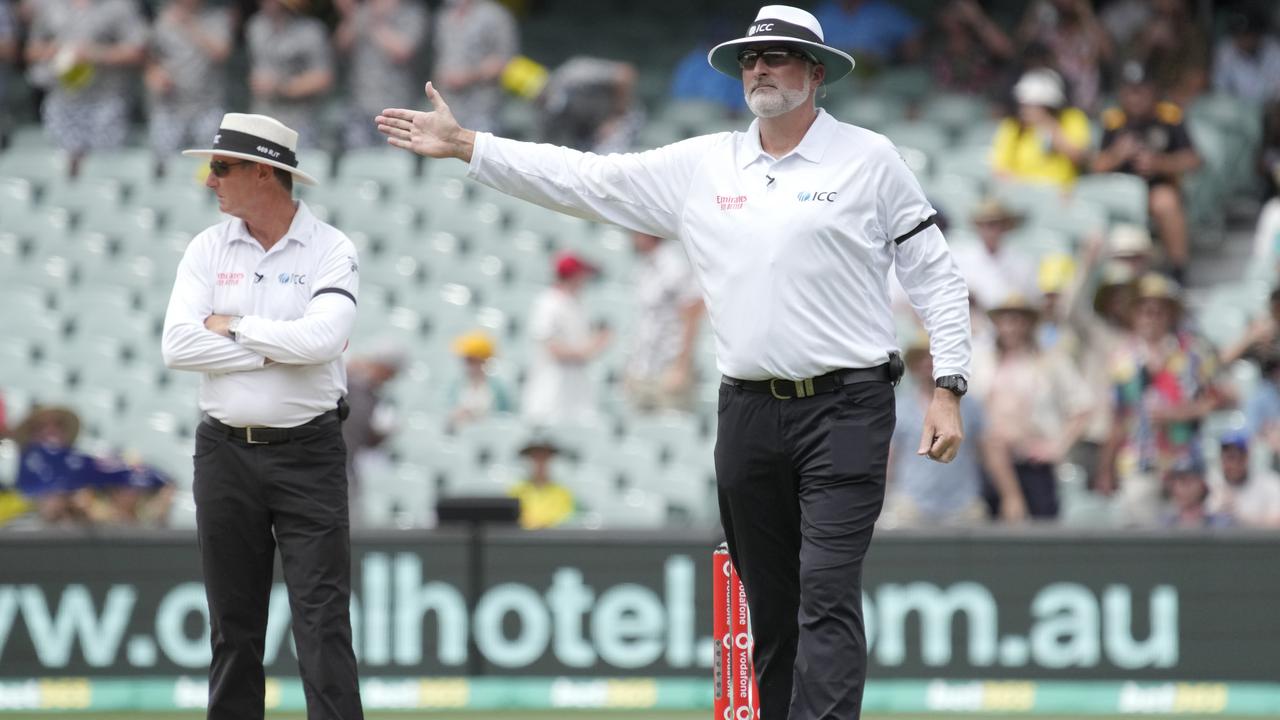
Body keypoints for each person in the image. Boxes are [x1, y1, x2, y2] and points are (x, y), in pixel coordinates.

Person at [376, 6, 971, 717]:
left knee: (827, 589)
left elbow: (935, 274)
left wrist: (949, 387)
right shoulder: (704, 164)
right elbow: (583, 179)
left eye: (778, 57)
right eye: (752, 59)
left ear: (816, 72)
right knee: (772, 604)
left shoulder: (869, 159)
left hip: (847, 406)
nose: (761, 69)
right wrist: (471, 145)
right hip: (747, 409)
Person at [161, 113, 363, 719]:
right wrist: (278, 349)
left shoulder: (332, 247)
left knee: (323, 623)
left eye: (221, 167)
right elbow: (178, 347)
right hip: (223, 452)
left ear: (262, 172)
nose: (209, 180)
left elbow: (323, 342)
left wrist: (237, 328)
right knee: (233, 625)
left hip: (309, 452)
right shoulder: (207, 246)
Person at [1098, 273, 1227, 525]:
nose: (1152, 318)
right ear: (1134, 316)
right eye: (1145, 311)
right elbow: (1117, 417)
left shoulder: (1192, 353)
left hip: (1186, 458)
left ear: (1169, 315)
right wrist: (1106, 467)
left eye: (1158, 311)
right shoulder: (1122, 359)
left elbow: (1218, 398)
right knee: (1141, 522)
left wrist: (1179, 413)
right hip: (1140, 459)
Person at [973, 294, 1091, 520]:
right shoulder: (982, 361)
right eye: (1006, 320)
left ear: (1029, 324)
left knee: (1040, 529)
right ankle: (1011, 495)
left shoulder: (1050, 361)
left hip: (1033, 462)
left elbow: (1082, 407)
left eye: (1018, 320)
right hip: (991, 463)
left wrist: (1057, 446)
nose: (1012, 328)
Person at [1092, 61, 1201, 281]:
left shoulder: (1169, 116)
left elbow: (1194, 160)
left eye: (1141, 91)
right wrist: (1117, 155)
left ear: (1152, 91)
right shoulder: (1113, 121)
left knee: (1166, 201)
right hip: (1119, 192)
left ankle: (1179, 269)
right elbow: (1095, 167)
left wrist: (1160, 163)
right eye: (1130, 92)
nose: (1136, 98)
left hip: (1155, 188)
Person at [23, 0, 146, 177]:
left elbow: (138, 51)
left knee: (104, 170)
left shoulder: (119, 6)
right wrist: (59, 51)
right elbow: (31, 50)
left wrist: (95, 53)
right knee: (63, 171)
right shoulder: (50, 6)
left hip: (106, 102)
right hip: (62, 101)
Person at [885, 333, 996, 527]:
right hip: (911, 505)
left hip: (963, 505)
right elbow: (889, 458)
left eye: (934, 357)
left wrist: (1012, 496)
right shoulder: (900, 406)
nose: (929, 363)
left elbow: (990, 453)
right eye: (923, 358)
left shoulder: (971, 406)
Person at [520, 252, 610, 426]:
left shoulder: (576, 303)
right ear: (574, 275)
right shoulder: (548, 302)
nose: (585, 280)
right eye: (582, 274)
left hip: (574, 393)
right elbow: (552, 348)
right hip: (551, 393)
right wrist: (592, 346)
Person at [144, 0, 233, 171]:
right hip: (170, 107)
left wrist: (190, 24)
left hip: (207, 107)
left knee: (211, 167)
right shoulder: (162, 17)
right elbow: (150, 57)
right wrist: (154, 75)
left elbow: (221, 53)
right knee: (163, 167)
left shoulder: (217, 17)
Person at [624, 232, 705, 414]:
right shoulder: (643, 265)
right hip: (643, 367)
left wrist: (681, 367)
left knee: (670, 428)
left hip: (668, 367)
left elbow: (693, 313)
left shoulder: (675, 265)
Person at [334, 0, 428, 149]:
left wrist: (374, 23)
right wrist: (350, 15)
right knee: (356, 158)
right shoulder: (363, 11)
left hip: (396, 107)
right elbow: (341, 45)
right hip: (360, 104)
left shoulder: (411, 12)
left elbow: (402, 51)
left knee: (393, 158)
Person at [245, 0, 334, 147]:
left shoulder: (311, 30)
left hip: (299, 122)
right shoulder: (255, 26)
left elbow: (323, 78)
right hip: (261, 118)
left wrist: (281, 87)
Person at [991, 67, 1091, 190]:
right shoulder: (1012, 126)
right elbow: (999, 169)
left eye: (1032, 104)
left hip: (1060, 194)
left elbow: (1079, 158)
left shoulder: (1072, 119)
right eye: (1024, 104)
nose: (1025, 110)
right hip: (1020, 193)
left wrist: (1048, 125)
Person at [433, 0, 518, 134]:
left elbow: (506, 62)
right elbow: (442, 56)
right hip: (449, 107)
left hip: (482, 108)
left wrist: (468, 76)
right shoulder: (445, 16)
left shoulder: (495, 15)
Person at [342, 339, 405, 515]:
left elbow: (364, 441)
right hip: (320, 465)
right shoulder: (345, 383)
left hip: (346, 467)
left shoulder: (375, 398)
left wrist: (381, 435)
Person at [1015, 0, 1112, 112]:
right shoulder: (1049, 31)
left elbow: (1108, 54)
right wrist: (1036, 7)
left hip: (1084, 104)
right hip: (1052, 100)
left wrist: (1085, 11)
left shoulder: (1088, 33)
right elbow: (1022, 46)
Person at [539, 56, 642, 153]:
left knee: (609, 159)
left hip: (621, 117)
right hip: (589, 136)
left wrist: (614, 118)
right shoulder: (545, 113)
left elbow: (625, 74)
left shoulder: (574, 73)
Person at [949, 197, 1038, 310]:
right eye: (986, 224)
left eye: (996, 224)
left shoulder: (1023, 263)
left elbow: (1030, 301)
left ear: (1005, 226)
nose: (991, 230)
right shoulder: (960, 258)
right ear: (978, 226)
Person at [928, 0, 1015, 98]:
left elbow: (1007, 50)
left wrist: (976, 18)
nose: (955, 14)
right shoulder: (936, 42)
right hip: (945, 104)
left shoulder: (983, 40)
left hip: (983, 103)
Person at [1207, 432, 1280, 528]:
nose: (1233, 464)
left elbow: (1276, 524)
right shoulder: (1210, 483)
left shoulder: (1270, 482)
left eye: (1238, 457)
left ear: (1247, 457)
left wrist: (1238, 514)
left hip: (1257, 542)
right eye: (1228, 458)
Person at [446, 329, 514, 431]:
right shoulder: (456, 385)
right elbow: (447, 411)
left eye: (472, 360)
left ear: (483, 360)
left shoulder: (498, 387)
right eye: (466, 360)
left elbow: (506, 416)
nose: (468, 365)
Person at [1212, 11, 1280, 105]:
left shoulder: (1274, 49)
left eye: (1248, 34)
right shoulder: (1225, 50)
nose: (1244, 39)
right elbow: (1220, 90)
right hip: (1238, 110)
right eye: (1239, 35)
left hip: (1270, 108)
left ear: (1258, 34)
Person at [507, 436, 575, 529]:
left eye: (544, 457)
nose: (539, 462)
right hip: (523, 540)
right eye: (535, 457)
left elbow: (565, 522)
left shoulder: (563, 493)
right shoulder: (515, 491)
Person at [1162, 457, 1232, 528]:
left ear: (1202, 484)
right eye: (1176, 482)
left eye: (1187, 481)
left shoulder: (1221, 525)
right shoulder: (1164, 526)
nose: (1180, 488)